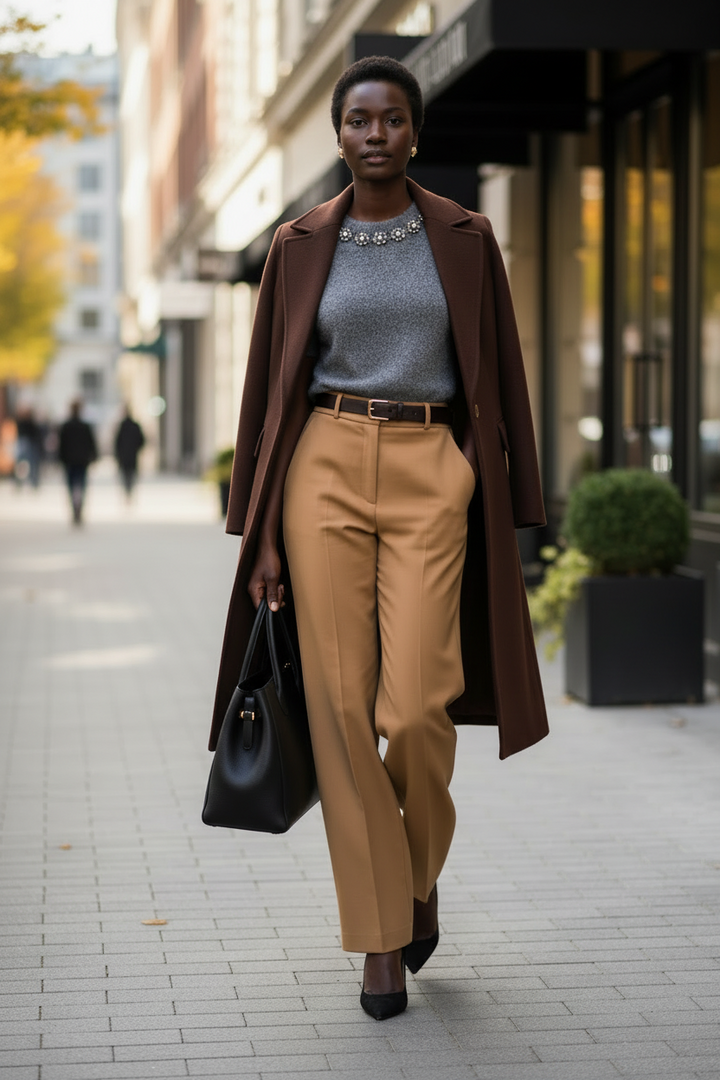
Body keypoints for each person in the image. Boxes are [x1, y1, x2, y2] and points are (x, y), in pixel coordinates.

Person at [210, 56, 548, 1021]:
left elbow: (503, 373)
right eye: (357, 120)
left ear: (414, 132)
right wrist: (260, 530)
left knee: (422, 701)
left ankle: (414, 866)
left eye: (391, 119)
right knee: (344, 712)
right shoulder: (298, 242)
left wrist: (507, 491)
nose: (374, 135)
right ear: (339, 133)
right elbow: (266, 392)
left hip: (430, 467)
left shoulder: (467, 237)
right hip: (321, 464)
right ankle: (380, 940)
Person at [58, 400, 97, 525]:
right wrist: (94, 456)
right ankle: (79, 508)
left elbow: (61, 446)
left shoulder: (66, 426)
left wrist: (60, 459)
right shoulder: (85, 426)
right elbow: (92, 443)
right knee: (82, 484)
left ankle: (74, 509)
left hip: (69, 460)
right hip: (82, 460)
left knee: (71, 485)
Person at [114, 407, 145, 498]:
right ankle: (129, 490)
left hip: (124, 456)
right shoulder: (135, 426)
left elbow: (117, 443)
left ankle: (128, 490)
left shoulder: (122, 427)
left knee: (126, 474)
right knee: (131, 474)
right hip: (132, 455)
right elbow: (141, 440)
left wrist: (118, 454)